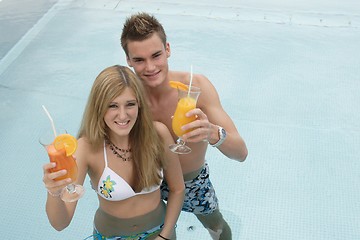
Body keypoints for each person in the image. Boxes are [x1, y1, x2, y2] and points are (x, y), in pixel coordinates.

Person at [120, 13, 248, 240]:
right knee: (162, 234)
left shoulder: (196, 87)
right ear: (128, 60)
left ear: (168, 49)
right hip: (148, 181)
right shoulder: (125, 97)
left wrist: (212, 133)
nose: (150, 67)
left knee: (216, 225)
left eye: (156, 55)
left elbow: (241, 153)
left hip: (193, 181)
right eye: (139, 60)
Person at [42, 65, 185, 240]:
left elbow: (177, 189)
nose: (123, 115)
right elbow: (60, 224)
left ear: (139, 103)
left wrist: (165, 234)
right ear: (99, 107)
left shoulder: (158, 135)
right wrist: (54, 192)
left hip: (160, 231)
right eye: (113, 106)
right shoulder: (86, 147)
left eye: (130, 104)